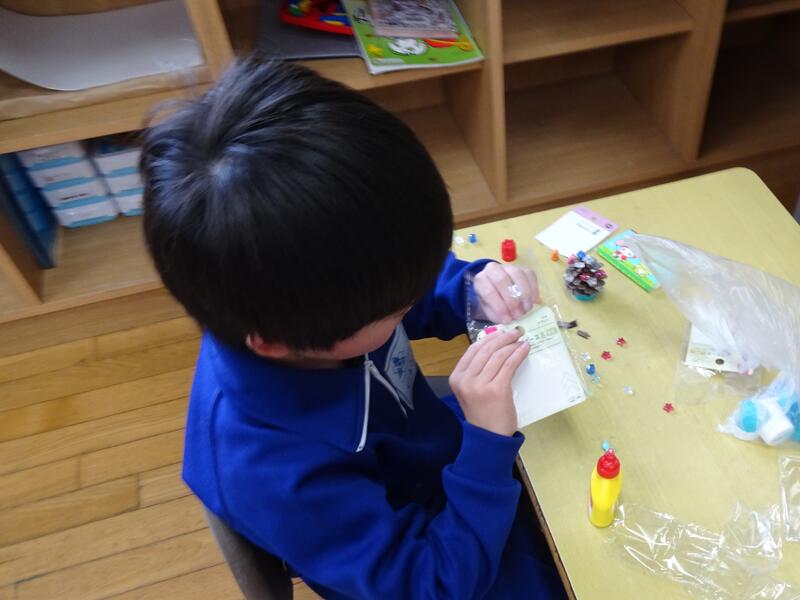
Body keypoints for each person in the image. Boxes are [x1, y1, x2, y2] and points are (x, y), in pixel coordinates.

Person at [140, 58, 565, 599]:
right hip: (437, 560)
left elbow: (386, 280)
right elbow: (431, 586)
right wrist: (485, 447)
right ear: (276, 343)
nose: (408, 304)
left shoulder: (303, 293)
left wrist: (471, 289)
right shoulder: (274, 472)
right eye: (397, 310)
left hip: (446, 463)